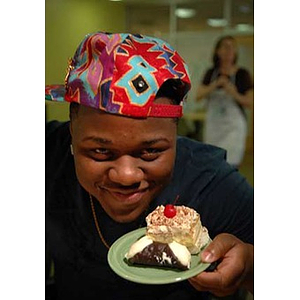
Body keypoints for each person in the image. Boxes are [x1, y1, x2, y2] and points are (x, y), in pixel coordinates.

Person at [46, 31, 254, 300]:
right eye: (100, 151)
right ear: (71, 131)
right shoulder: (48, 154)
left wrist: (249, 265)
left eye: (151, 152)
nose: (126, 176)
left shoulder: (212, 182)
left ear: (176, 136)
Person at [196, 35, 254, 168]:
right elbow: (198, 96)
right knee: (212, 163)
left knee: (230, 165)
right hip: (214, 126)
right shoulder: (211, 73)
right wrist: (215, 85)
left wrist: (233, 92)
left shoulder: (242, 74)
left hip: (233, 128)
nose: (229, 51)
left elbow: (250, 103)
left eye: (232, 47)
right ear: (217, 51)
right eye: (225, 47)